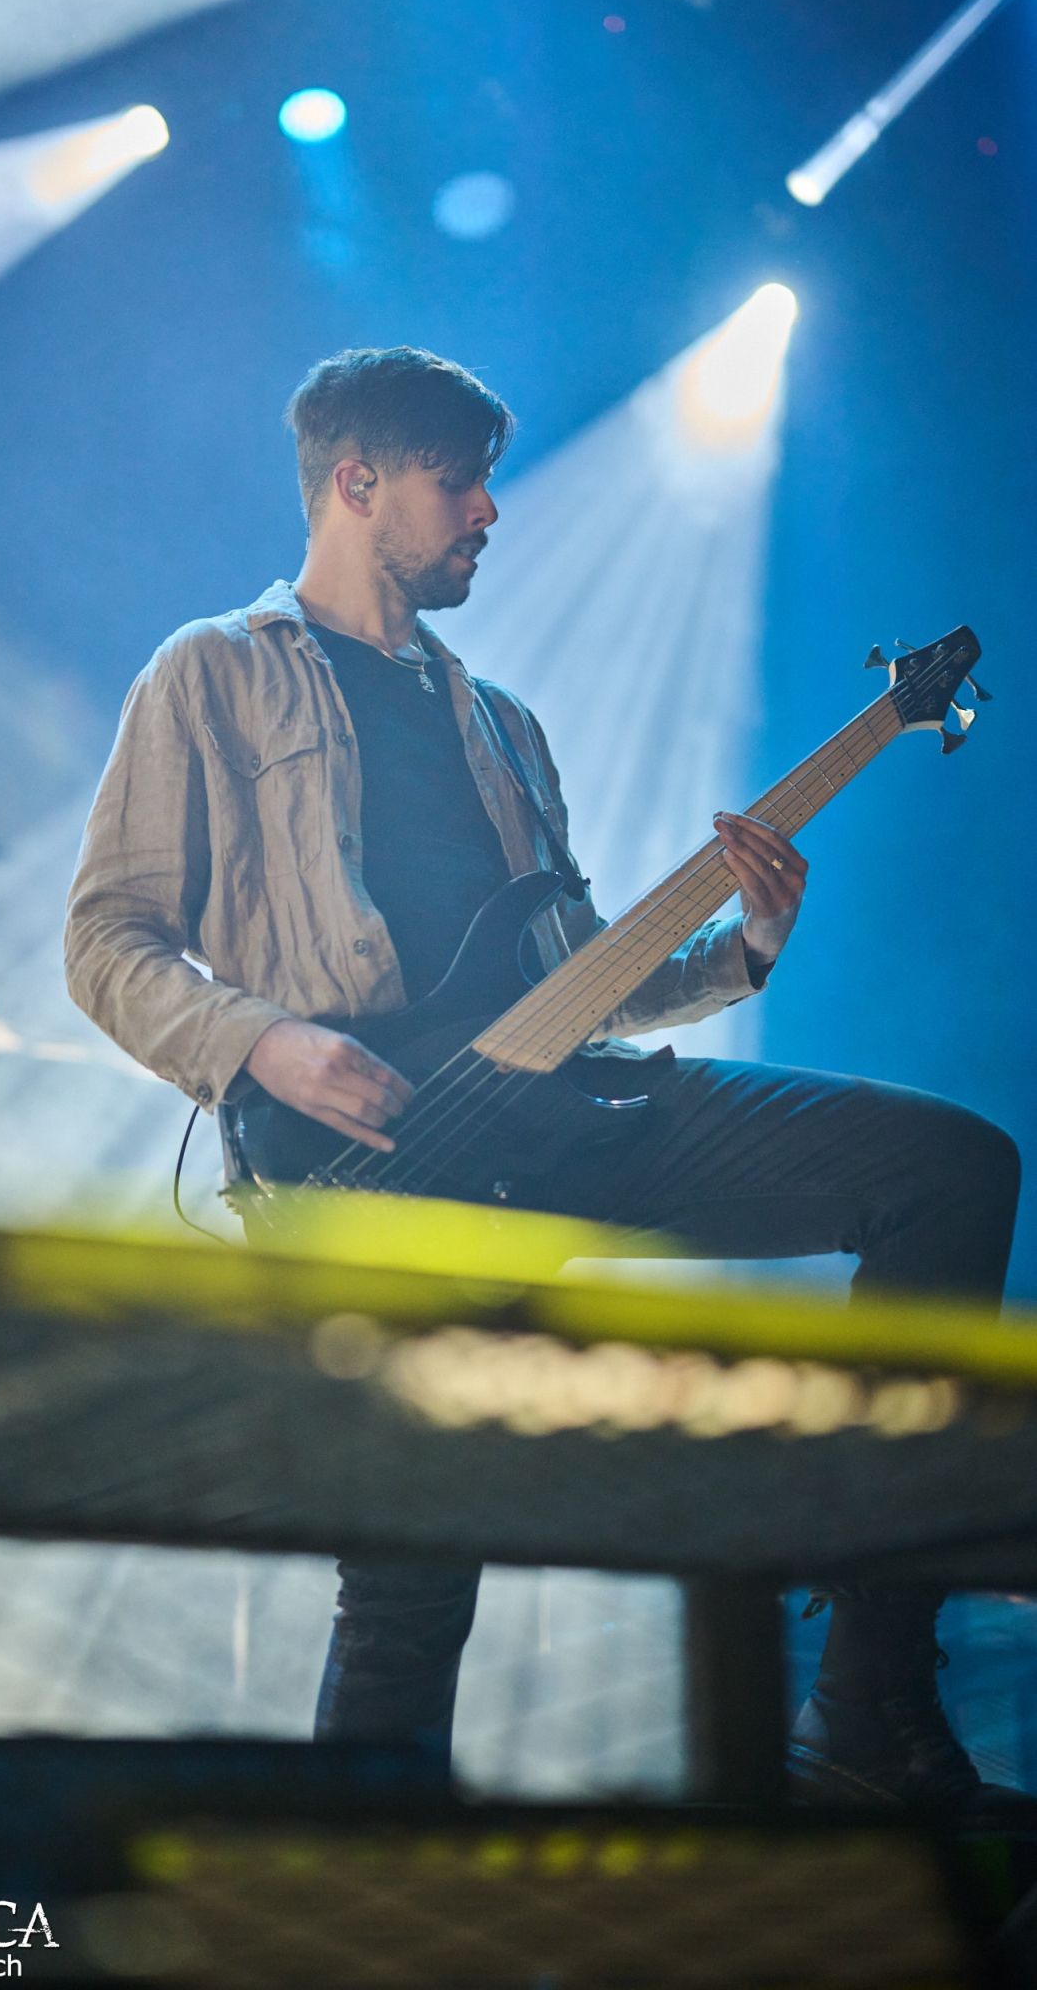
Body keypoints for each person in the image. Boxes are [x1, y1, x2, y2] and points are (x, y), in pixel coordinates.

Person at [65, 345, 1022, 1811]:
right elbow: (105, 939)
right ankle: (359, 1881)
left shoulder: (501, 725)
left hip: (562, 1112)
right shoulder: (210, 673)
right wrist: (260, 1040)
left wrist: (743, 947)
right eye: (459, 483)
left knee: (948, 1168)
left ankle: (867, 1703)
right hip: (365, 1164)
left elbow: (577, 979)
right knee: (413, 1578)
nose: (490, 512)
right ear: (356, 483)